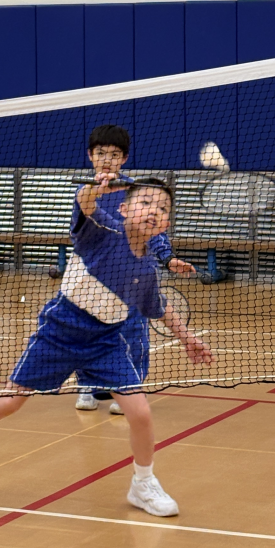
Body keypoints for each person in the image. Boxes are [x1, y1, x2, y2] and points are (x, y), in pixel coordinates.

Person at [0, 174, 212, 517]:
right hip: (61, 331)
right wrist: (96, 188)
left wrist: (188, 338)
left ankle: (143, 483)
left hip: (106, 341)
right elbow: (85, 202)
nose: (154, 211)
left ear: (166, 225)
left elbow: (159, 308)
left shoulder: (147, 269)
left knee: (140, 412)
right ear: (124, 209)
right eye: (145, 202)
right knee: (10, 401)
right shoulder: (101, 232)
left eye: (163, 208)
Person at [72, 125, 196, 414]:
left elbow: (153, 229)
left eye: (114, 154)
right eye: (101, 153)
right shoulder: (85, 192)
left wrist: (168, 258)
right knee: (88, 333)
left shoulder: (137, 192)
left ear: (124, 158)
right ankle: (87, 386)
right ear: (90, 155)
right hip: (92, 277)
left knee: (133, 334)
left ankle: (128, 390)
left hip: (132, 275)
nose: (107, 160)